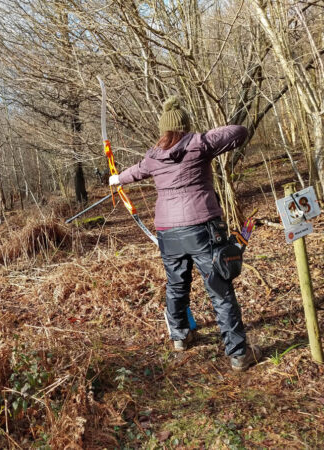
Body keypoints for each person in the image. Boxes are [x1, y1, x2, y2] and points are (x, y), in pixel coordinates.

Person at [109, 96, 261, 371]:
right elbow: (238, 132)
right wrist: (203, 137)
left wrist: (117, 178)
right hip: (201, 227)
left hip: (168, 231)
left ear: (164, 129)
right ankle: (238, 354)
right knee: (219, 288)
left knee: (177, 285)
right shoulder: (198, 144)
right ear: (185, 125)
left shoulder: (153, 155)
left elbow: (135, 172)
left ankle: (180, 336)